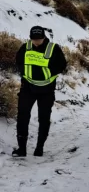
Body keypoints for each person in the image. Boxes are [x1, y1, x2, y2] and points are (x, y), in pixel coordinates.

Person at [12, 26, 67, 157]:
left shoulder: (53, 48)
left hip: (46, 90)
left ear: (44, 37)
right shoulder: (25, 47)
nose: (36, 41)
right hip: (28, 88)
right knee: (22, 116)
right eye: (34, 39)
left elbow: (62, 65)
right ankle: (21, 149)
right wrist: (24, 72)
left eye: (39, 39)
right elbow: (18, 61)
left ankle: (39, 148)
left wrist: (48, 70)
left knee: (44, 118)